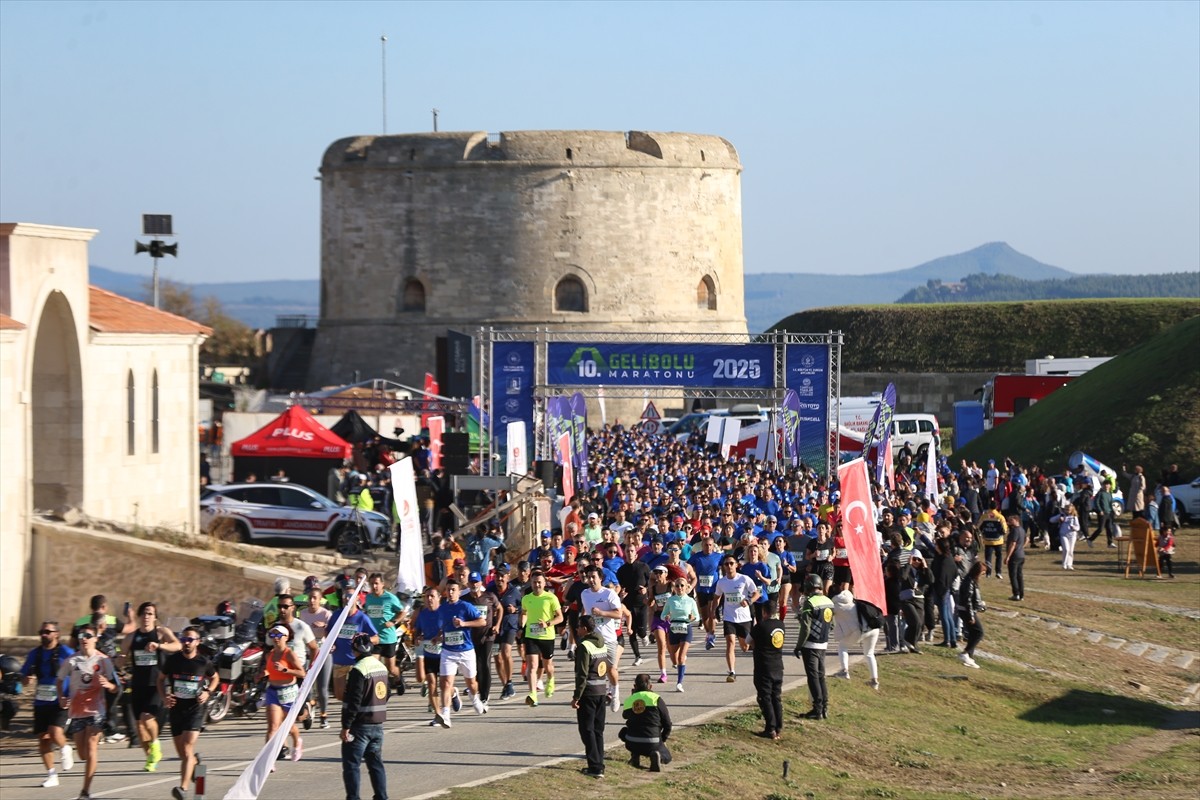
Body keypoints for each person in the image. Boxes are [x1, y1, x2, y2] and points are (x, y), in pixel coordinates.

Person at [57, 623, 121, 800]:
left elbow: (117, 688)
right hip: (77, 711)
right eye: (81, 636)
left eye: (88, 636)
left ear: (95, 638)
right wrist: (62, 696)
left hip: (96, 711)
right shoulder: (71, 660)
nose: (84, 639)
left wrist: (108, 685)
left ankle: (85, 791)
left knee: (92, 748)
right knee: (83, 754)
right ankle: (85, 783)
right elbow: (59, 679)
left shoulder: (103, 660)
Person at [158, 626, 219, 800]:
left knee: (186, 747)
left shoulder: (203, 662)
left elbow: (214, 678)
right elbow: (160, 680)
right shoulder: (173, 660)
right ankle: (197, 766)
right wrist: (164, 697)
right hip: (176, 709)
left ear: (197, 642)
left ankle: (182, 789)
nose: (186, 643)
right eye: (183, 639)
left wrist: (208, 692)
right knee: (184, 755)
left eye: (190, 640)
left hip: (196, 709)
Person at [122, 601, 181, 773]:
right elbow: (121, 656)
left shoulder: (161, 632)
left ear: (155, 617)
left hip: (157, 683)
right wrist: (115, 661)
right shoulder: (132, 637)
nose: (147, 617)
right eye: (144, 613)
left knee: (147, 717)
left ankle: (155, 744)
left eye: (150, 613)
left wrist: (160, 645)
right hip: (138, 684)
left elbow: (177, 645)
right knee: (140, 727)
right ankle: (151, 756)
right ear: (139, 616)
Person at [21, 620, 74, 788]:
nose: (44, 635)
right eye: (42, 632)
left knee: (54, 732)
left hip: (61, 699)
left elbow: (80, 668)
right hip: (41, 702)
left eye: (48, 632)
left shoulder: (66, 652)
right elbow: (23, 677)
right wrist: (26, 680)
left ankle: (65, 748)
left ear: (56, 634)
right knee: (43, 739)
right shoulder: (34, 654)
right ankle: (52, 774)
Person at [433, 579, 488, 727]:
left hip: (466, 651)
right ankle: (445, 714)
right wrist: (438, 636)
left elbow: (482, 622)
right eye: (448, 590)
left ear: (459, 591)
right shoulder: (442, 608)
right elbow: (443, 627)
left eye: (453, 590)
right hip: (448, 651)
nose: (450, 593)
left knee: (472, 683)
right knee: (445, 683)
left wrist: (464, 624)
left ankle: (474, 697)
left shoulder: (466, 606)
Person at [341, 632, 389, 800]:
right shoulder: (381, 666)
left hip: (359, 726)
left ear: (355, 649)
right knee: (376, 764)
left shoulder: (358, 669)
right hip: (378, 725)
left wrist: (346, 726)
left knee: (352, 765)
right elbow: (387, 693)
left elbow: (354, 701)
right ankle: (382, 797)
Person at [571, 615, 611, 779]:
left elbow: (582, 674)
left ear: (585, 629)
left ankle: (595, 767)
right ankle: (599, 762)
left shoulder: (584, 646)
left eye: (579, 626)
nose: (577, 629)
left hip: (588, 693)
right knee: (598, 730)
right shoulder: (601, 643)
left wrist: (576, 696)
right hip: (601, 690)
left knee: (587, 730)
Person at [263, 624, 307, 764]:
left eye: (279, 635)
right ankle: (269, 761)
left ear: (286, 637)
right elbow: (269, 670)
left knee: (287, 725)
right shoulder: (269, 654)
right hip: (273, 692)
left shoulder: (289, 654)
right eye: (273, 635)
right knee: (273, 726)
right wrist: (263, 674)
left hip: (288, 692)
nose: (276, 639)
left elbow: (302, 673)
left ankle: (296, 740)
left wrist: (285, 670)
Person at [520, 570, 564, 707]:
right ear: (531, 583)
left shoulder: (551, 598)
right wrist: (522, 625)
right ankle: (533, 694)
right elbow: (524, 613)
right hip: (531, 635)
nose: (537, 585)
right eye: (534, 582)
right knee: (532, 665)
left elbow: (560, 617)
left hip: (547, 636)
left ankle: (550, 679)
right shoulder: (526, 598)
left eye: (539, 582)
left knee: (547, 665)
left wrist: (547, 624)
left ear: (544, 583)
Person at [793, 573, 833, 720]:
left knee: (813, 677)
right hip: (823, 643)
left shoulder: (809, 603)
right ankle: (824, 708)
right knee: (821, 676)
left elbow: (805, 628)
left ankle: (817, 709)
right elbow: (831, 624)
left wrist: (798, 646)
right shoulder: (828, 601)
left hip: (810, 644)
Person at [715, 554, 760, 682]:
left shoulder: (744, 579)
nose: (729, 566)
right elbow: (717, 598)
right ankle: (732, 672)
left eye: (731, 563)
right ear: (723, 567)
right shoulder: (721, 582)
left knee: (745, 647)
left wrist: (749, 601)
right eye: (726, 564)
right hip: (729, 617)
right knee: (730, 642)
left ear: (736, 565)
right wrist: (714, 612)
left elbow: (756, 593)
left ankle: (758, 661)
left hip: (744, 618)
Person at [331, 587, 379, 702]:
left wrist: (362, 640)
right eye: (345, 596)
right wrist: (331, 643)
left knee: (357, 693)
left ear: (357, 598)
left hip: (356, 662)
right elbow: (328, 631)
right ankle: (352, 707)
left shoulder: (362, 618)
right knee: (339, 694)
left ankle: (354, 711)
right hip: (339, 660)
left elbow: (377, 638)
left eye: (350, 596)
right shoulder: (337, 615)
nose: (347, 599)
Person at [619, 673, 673, 772]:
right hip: (652, 742)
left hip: (632, 741)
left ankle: (635, 754)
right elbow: (667, 724)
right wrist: (663, 739)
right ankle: (657, 756)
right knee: (667, 757)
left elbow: (625, 716)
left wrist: (634, 698)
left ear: (634, 687)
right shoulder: (656, 699)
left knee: (623, 731)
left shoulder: (630, 700)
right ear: (650, 686)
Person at [465, 572, 503, 709]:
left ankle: (484, 696)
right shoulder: (465, 600)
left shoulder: (489, 597)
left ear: (481, 583)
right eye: (472, 582)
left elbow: (500, 609)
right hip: (471, 638)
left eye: (476, 582)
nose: (474, 585)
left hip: (487, 636)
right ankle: (477, 690)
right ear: (468, 584)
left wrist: (497, 625)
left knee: (485, 665)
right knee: (475, 667)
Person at [830, 586, 881, 690]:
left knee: (842, 647)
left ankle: (844, 672)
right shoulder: (850, 597)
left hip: (860, 630)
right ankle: (874, 681)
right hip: (873, 628)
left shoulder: (835, 605)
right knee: (869, 654)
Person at [363, 574, 407, 688]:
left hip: (388, 638)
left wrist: (393, 622)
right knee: (373, 667)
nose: (374, 586)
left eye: (377, 583)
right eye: (372, 583)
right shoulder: (368, 598)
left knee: (391, 668)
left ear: (383, 584)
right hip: (374, 638)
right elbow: (366, 613)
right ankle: (380, 689)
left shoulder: (390, 598)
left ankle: (398, 678)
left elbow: (402, 612)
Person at [750, 604, 786, 739]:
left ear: (764, 612)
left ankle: (770, 728)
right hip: (778, 666)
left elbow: (748, 642)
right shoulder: (781, 626)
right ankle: (779, 726)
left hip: (763, 667)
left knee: (765, 697)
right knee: (776, 697)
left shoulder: (760, 627)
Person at [300, 587, 334, 728]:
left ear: (320, 600)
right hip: (307, 652)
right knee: (305, 685)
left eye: (315, 598)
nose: (312, 600)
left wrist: (325, 626)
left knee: (322, 688)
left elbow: (334, 631)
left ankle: (323, 716)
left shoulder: (326, 614)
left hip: (323, 652)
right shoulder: (302, 614)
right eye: (310, 598)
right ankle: (311, 704)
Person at [659, 575, 699, 692]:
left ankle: (679, 683)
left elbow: (697, 617)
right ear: (674, 588)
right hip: (674, 629)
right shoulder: (671, 600)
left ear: (687, 587)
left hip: (686, 628)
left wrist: (692, 617)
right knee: (674, 658)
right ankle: (679, 661)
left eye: (682, 585)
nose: (680, 588)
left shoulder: (690, 601)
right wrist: (666, 617)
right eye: (677, 585)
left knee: (681, 657)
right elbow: (662, 615)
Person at [958, 560, 986, 669]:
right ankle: (965, 653)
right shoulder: (969, 581)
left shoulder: (972, 581)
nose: (982, 576)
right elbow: (968, 600)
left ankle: (970, 656)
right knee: (979, 632)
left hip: (969, 610)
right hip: (966, 611)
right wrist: (971, 616)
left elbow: (973, 599)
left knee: (973, 633)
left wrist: (980, 605)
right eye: (982, 573)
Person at [1003, 514, 1028, 601]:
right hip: (1021, 555)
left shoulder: (1015, 531)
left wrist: (1008, 556)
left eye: (1011, 521)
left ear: (1017, 520)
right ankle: (1021, 594)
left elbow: (1013, 544)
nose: (1009, 523)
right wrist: (1022, 547)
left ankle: (1016, 594)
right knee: (1019, 575)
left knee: (1013, 575)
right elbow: (1027, 539)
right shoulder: (1022, 530)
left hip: (1015, 556)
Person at [1051, 503, 1081, 571]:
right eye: (1066, 509)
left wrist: (1074, 527)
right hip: (1063, 535)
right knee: (1066, 549)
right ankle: (1064, 564)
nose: (1067, 511)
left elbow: (1078, 527)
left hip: (1072, 535)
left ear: (1072, 510)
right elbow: (1051, 520)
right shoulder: (1062, 516)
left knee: (1071, 550)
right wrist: (1059, 519)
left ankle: (1069, 564)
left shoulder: (1074, 517)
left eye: (1069, 510)